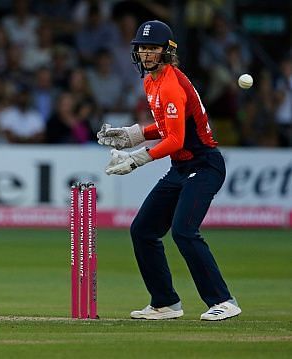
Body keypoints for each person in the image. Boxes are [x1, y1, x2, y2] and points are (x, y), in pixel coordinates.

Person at [97, 20, 241, 321]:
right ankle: (165, 303)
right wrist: (132, 135)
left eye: (153, 49)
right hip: (181, 168)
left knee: (184, 232)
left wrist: (137, 158)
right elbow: (166, 128)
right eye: (142, 48)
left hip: (204, 165)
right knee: (143, 231)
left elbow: (175, 140)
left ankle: (224, 301)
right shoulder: (151, 81)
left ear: (167, 51)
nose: (147, 54)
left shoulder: (173, 84)